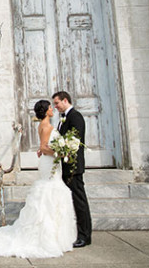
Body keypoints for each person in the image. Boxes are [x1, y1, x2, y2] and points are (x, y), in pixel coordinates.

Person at [0, 100, 77, 258]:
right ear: (46, 110)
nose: (52, 109)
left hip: (50, 163)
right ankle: (46, 238)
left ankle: (56, 237)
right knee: (50, 191)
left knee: (52, 191)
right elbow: (43, 147)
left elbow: (44, 147)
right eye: (50, 107)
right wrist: (62, 153)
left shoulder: (43, 124)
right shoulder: (46, 126)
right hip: (50, 163)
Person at [52, 91, 92, 248]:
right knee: (73, 200)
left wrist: (60, 148)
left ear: (65, 100)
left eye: (57, 103)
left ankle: (85, 236)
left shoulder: (76, 117)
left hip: (74, 166)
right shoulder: (64, 118)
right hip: (66, 166)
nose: (55, 106)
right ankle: (75, 232)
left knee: (79, 201)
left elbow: (74, 141)